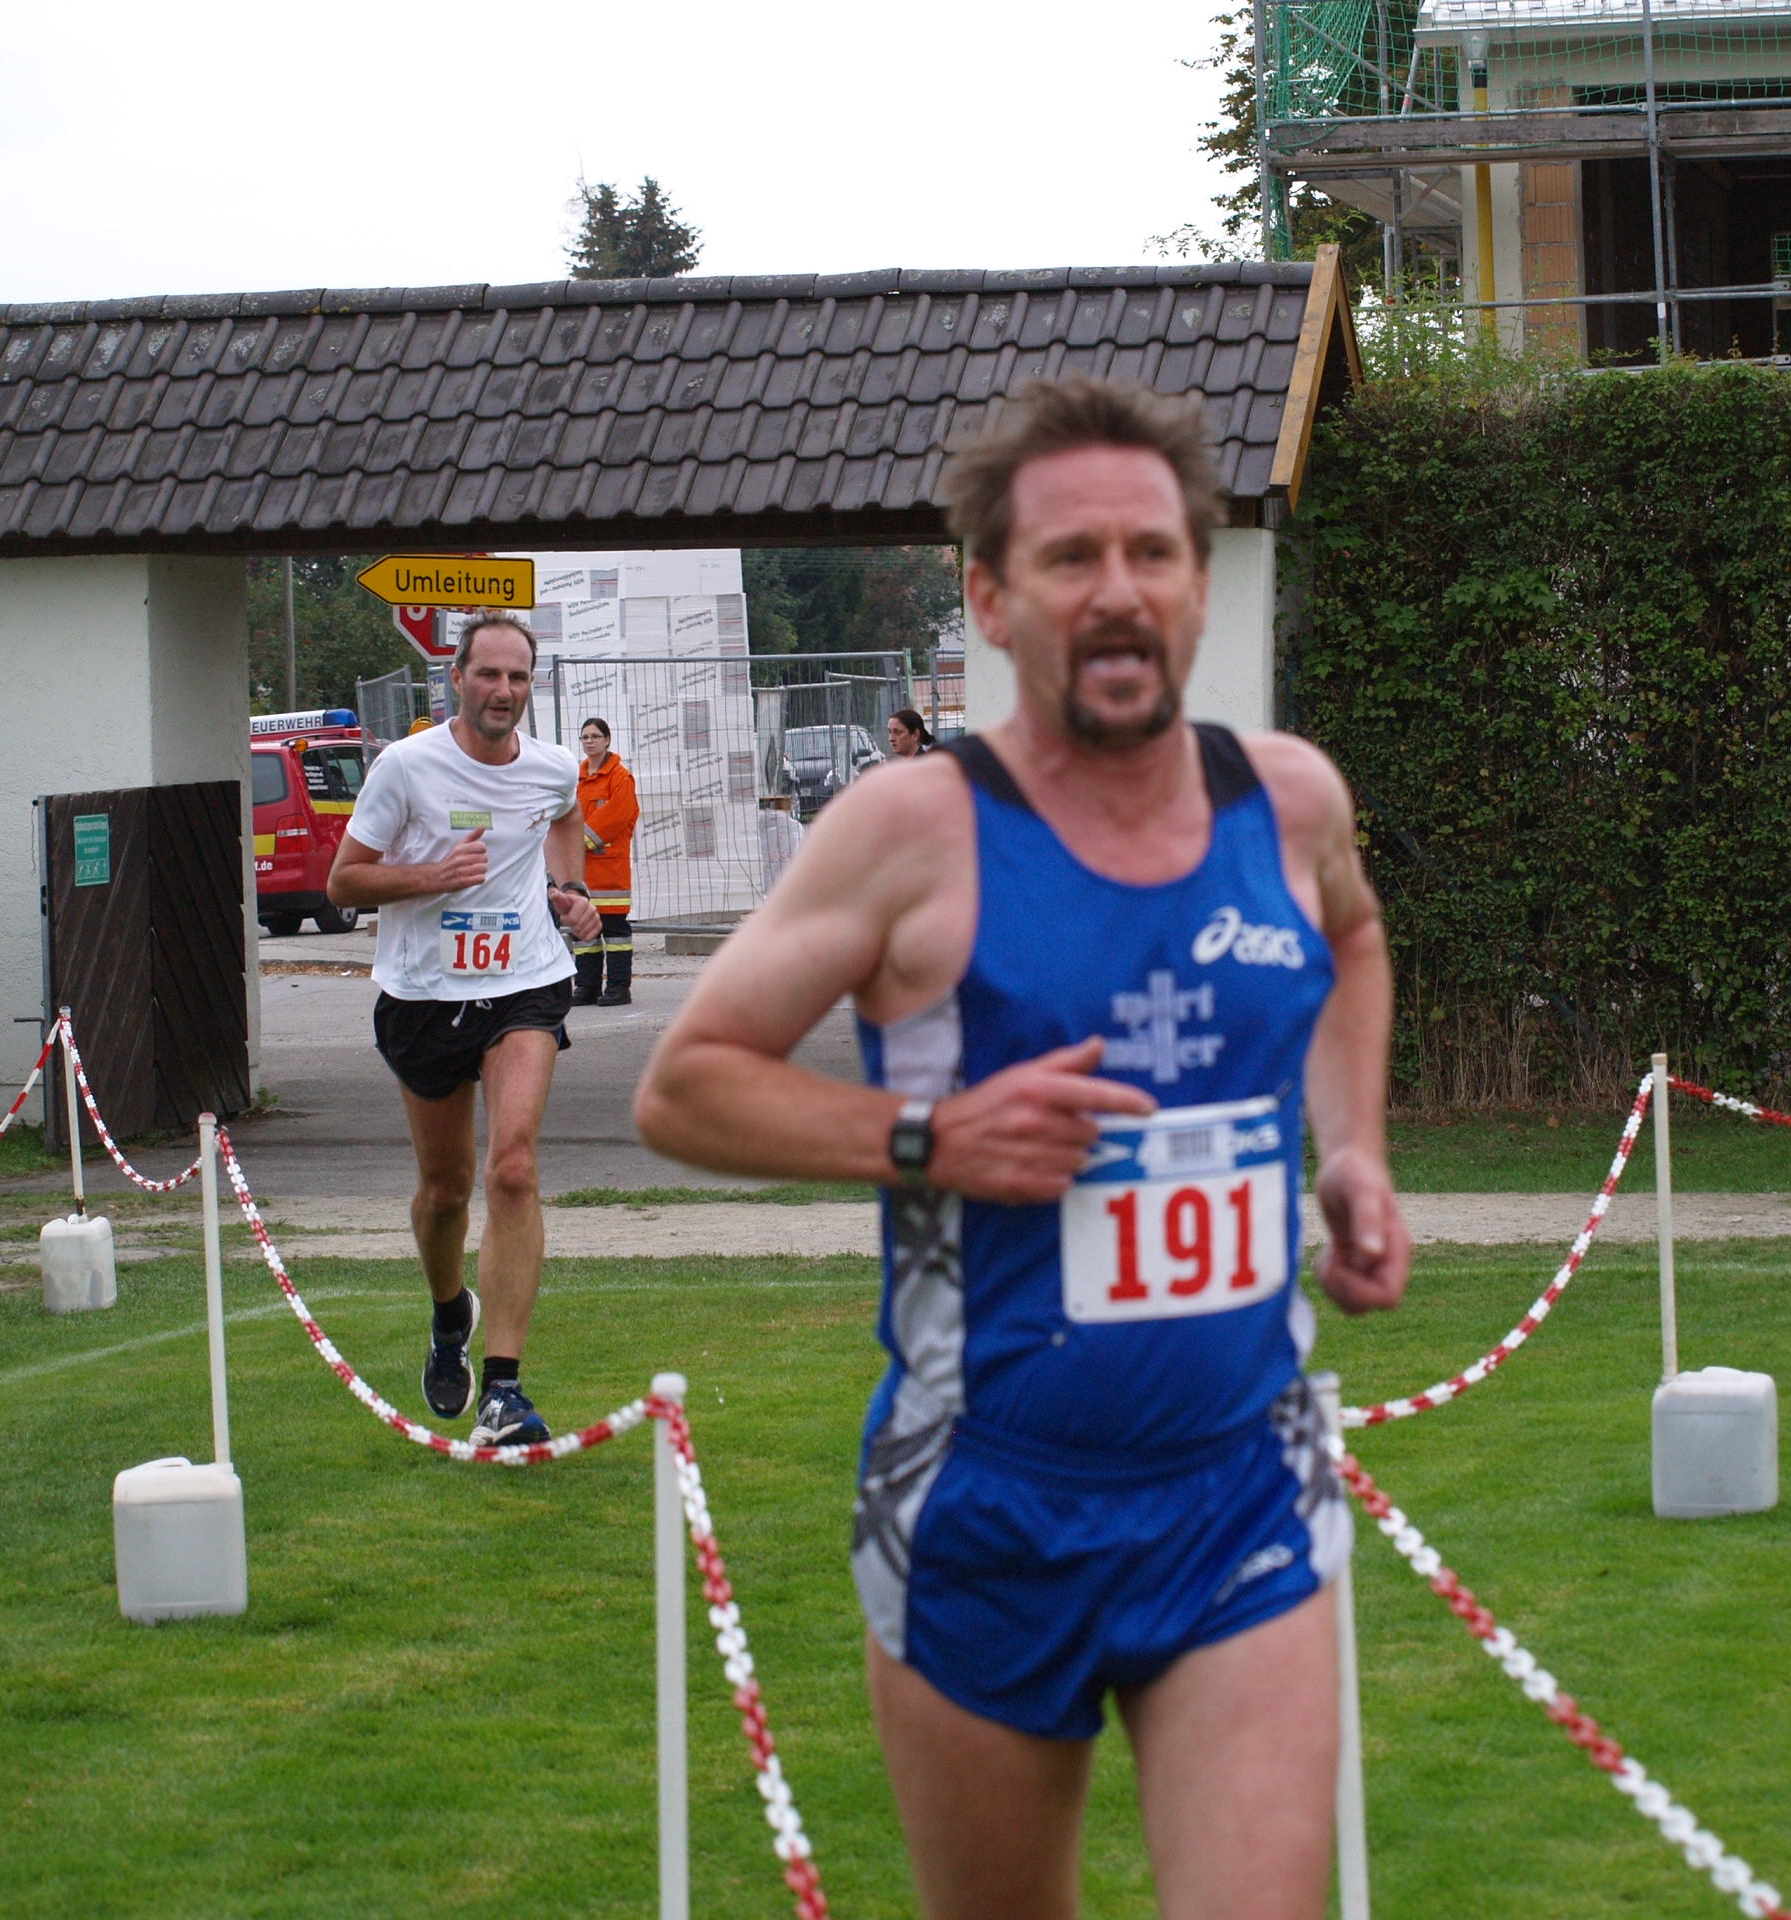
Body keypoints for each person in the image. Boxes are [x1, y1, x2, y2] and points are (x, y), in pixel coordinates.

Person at [636, 376, 1411, 1920]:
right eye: (1070, 558)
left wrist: (1354, 1150)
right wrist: (930, 1133)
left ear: (1198, 584)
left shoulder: (1289, 800)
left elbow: (1355, 939)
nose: (1117, 589)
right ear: (991, 599)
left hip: (1240, 1487)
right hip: (984, 1502)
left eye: (1151, 552)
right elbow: (686, 1087)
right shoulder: (912, 831)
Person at [327, 614, 603, 1448]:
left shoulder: (552, 766)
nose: (503, 692)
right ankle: (451, 1313)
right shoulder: (406, 767)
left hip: (525, 985)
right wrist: (430, 876)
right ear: (457, 678)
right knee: (445, 1191)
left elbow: (564, 817)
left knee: (512, 1168)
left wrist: (570, 890)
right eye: (488, 674)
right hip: (422, 995)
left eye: (518, 678)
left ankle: (504, 1391)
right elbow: (344, 882)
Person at [573, 716, 640, 1007]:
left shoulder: (620, 777)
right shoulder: (577, 777)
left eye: (595, 736)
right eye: (585, 737)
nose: (589, 741)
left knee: (614, 931)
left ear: (607, 740)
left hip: (609, 868)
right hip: (581, 869)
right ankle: (586, 986)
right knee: (584, 930)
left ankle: (618, 987)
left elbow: (618, 815)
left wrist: (579, 841)